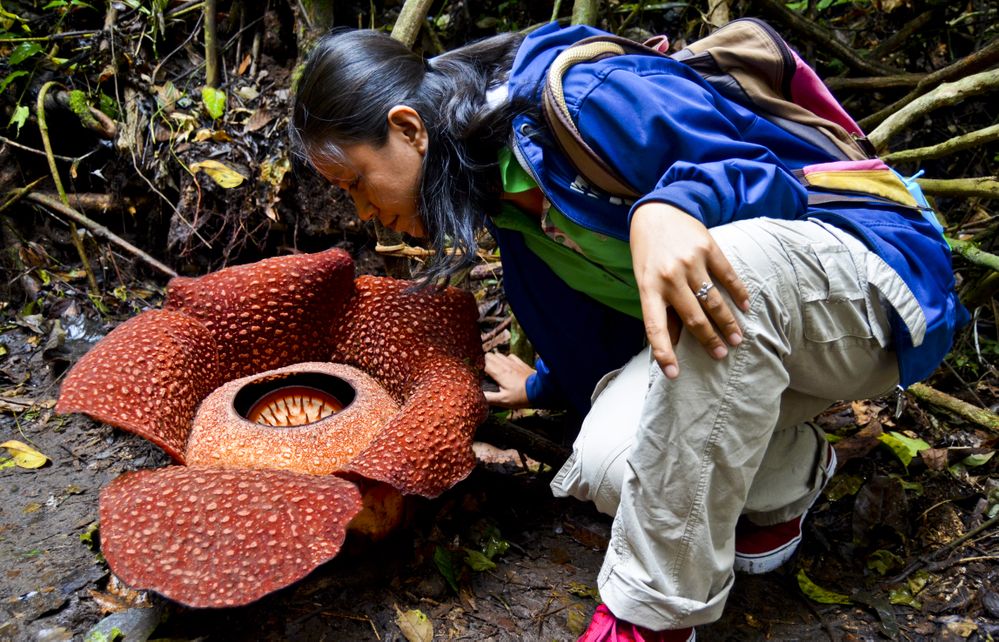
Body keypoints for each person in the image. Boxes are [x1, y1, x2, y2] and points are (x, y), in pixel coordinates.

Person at [290, 20, 967, 642]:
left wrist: (671, 206)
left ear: (408, 129)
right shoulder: (500, 195)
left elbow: (767, 179)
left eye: (356, 182)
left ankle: (650, 619)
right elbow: (608, 315)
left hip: (867, 287)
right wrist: (546, 381)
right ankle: (791, 472)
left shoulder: (584, 94)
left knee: (731, 266)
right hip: (750, 344)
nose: (363, 211)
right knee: (608, 462)